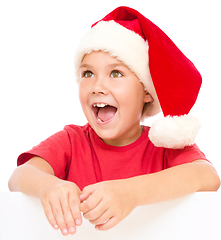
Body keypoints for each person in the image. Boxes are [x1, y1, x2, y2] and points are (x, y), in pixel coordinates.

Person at [8, 6, 220, 236]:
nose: (98, 87)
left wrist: (130, 193)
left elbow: (207, 176)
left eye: (116, 73)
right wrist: (48, 186)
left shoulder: (163, 148)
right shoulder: (72, 141)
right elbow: (19, 176)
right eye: (88, 73)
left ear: (147, 91)